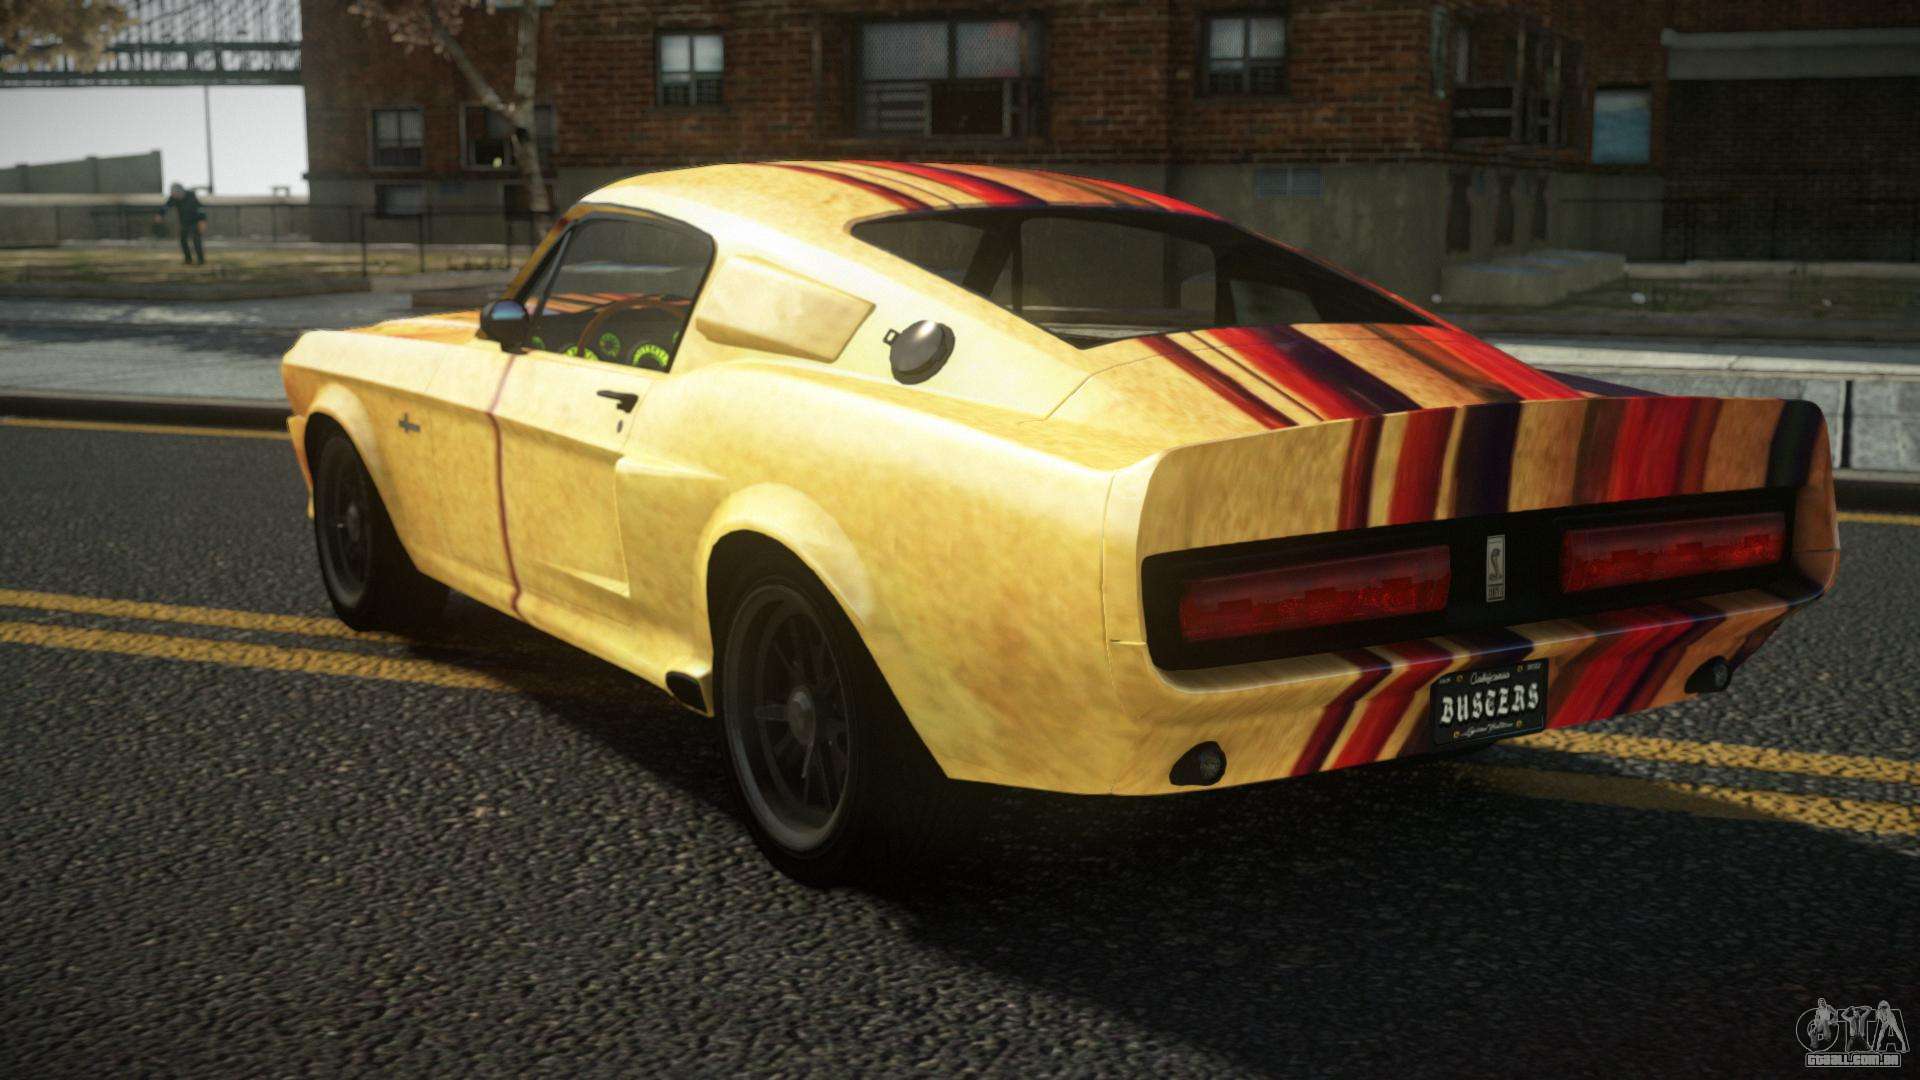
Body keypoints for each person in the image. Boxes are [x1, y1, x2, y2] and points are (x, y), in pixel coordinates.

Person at [155, 182, 207, 265]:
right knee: (183, 240)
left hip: (195, 222)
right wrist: (160, 214)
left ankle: (201, 260)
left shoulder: (191, 196)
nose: (174, 195)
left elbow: (200, 208)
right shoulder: (174, 198)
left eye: (175, 194)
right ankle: (188, 259)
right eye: (172, 194)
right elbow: (166, 206)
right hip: (184, 222)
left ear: (180, 192)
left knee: (196, 240)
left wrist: (202, 221)